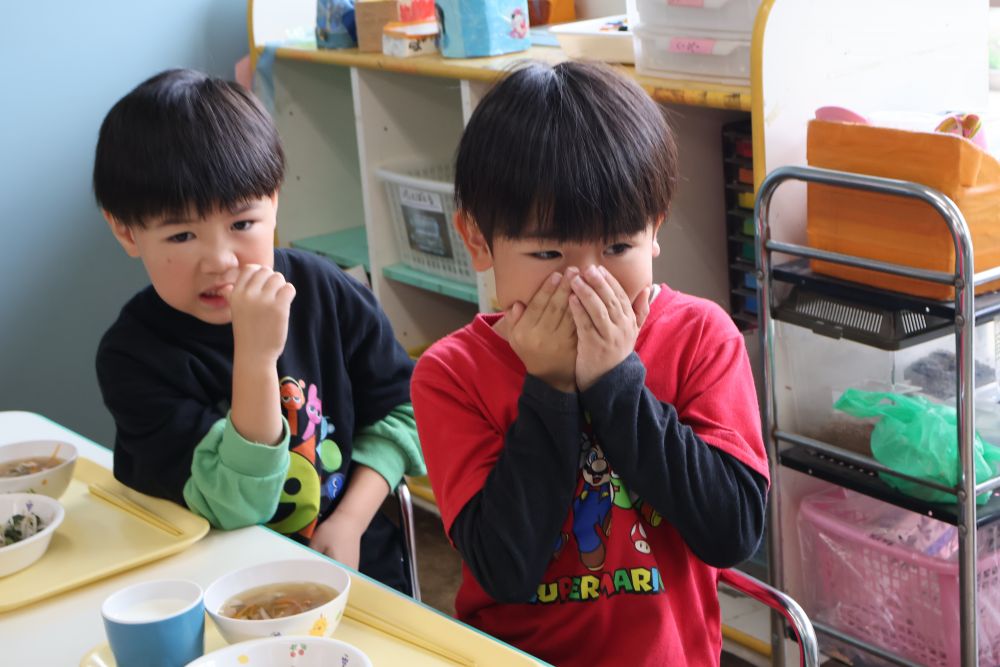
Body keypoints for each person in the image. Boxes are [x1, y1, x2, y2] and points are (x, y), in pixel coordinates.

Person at [410, 61, 769, 664]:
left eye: (618, 247)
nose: (586, 281)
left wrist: (615, 381)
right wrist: (549, 387)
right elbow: (505, 569)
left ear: (656, 228)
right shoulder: (452, 374)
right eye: (548, 251)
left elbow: (730, 531)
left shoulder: (702, 336)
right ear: (477, 241)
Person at [93, 69, 424, 594]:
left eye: (243, 224)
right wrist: (256, 358)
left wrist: (351, 520)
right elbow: (236, 506)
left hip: (355, 564)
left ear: (274, 202)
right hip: (212, 587)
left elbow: (405, 411)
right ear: (126, 231)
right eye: (182, 234)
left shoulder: (325, 290)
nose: (220, 260)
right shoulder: (132, 357)